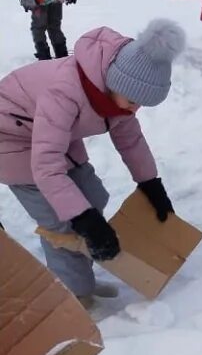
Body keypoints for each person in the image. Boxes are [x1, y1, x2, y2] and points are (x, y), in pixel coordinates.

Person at [0, 19, 184, 302]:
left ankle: (81, 276)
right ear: (116, 83)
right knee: (62, 222)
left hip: (49, 133)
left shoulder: (114, 93)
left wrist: (151, 184)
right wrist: (84, 220)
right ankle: (76, 296)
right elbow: (47, 168)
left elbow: (130, 140)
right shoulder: (65, 92)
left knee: (92, 197)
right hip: (10, 141)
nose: (136, 108)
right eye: (134, 100)